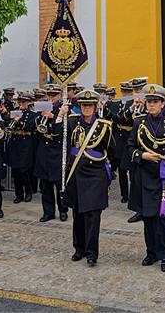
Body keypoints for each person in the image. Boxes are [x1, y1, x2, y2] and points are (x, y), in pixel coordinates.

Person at [126, 84, 165, 272]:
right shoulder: (139, 123)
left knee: (162, 218)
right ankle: (151, 252)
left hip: (162, 177)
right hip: (144, 175)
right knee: (147, 217)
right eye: (149, 101)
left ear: (162, 104)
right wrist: (142, 156)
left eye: (155, 102)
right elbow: (129, 147)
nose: (151, 105)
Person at [63, 89, 115, 267]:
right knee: (77, 213)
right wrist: (59, 116)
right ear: (80, 106)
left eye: (90, 105)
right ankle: (79, 249)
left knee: (93, 215)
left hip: (95, 174)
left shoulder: (104, 125)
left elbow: (112, 150)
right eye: (84, 105)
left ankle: (92, 252)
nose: (86, 108)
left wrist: (109, 172)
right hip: (76, 172)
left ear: (95, 107)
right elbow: (59, 140)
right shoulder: (70, 122)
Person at [35, 84, 69, 222]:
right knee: (45, 184)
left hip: (57, 149)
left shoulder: (65, 108)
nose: (51, 98)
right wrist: (41, 117)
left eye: (54, 95)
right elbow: (35, 124)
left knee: (59, 183)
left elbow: (66, 127)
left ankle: (63, 210)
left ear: (59, 95)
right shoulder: (43, 107)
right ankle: (48, 212)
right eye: (49, 95)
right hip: (44, 149)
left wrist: (53, 116)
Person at [120, 77, 148, 223]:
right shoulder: (130, 103)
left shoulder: (150, 102)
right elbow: (121, 118)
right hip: (132, 146)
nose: (137, 93)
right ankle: (138, 209)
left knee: (146, 179)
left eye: (139, 90)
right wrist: (132, 108)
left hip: (146, 147)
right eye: (135, 90)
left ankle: (147, 207)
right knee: (134, 179)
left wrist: (144, 106)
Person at [7, 91, 37, 203]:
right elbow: (8, 124)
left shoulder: (33, 114)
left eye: (24, 102)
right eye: (20, 101)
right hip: (15, 142)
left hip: (26, 143)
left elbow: (29, 127)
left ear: (29, 102)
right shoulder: (15, 112)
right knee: (15, 171)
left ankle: (28, 191)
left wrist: (19, 122)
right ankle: (18, 194)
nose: (21, 104)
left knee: (24, 170)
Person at [112, 81, 135, 204]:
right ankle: (124, 194)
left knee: (131, 169)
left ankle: (133, 194)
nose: (126, 94)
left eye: (128, 92)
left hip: (130, 136)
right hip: (120, 138)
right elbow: (115, 119)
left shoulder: (134, 103)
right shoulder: (117, 103)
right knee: (121, 169)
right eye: (124, 91)